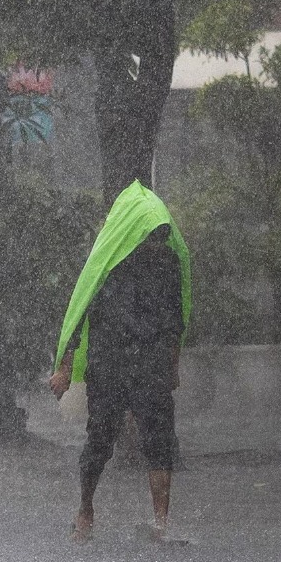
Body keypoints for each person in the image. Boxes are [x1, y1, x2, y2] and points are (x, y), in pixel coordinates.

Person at [49, 220, 185, 543]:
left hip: (151, 364)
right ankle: (85, 509)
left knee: (159, 442)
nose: (156, 244)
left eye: (160, 237)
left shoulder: (168, 263)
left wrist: (172, 365)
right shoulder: (107, 259)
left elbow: (175, 320)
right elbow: (79, 310)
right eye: (151, 237)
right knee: (99, 441)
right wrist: (65, 368)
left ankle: (161, 523)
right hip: (109, 362)